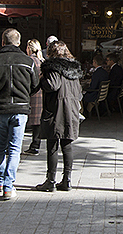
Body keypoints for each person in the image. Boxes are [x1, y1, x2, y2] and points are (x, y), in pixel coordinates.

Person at [0, 28, 39, 200]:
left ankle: (0, 180)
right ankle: (8, 185)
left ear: (2, 42)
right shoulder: (28, 62)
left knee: (0, 146)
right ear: (19, 42)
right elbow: (35, 86)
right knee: (14, 148)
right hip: (20, 109)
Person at [35, 41, 83, 192]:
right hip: (71, 111)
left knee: (52, 146)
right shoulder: (73, 69)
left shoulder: (52, 67)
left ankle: (50, 180)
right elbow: (79, 92)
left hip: (56, 110)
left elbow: (52, 85)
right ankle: (67, 180)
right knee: (67, 146)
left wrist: (41, 78)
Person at [23, 39, 45, 156]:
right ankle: (35, 145)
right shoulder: (42, 61)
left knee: (23, 120)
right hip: (40, 93)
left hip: (29, 93)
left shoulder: (29, 61)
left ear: (29, 48)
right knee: (37, 122)